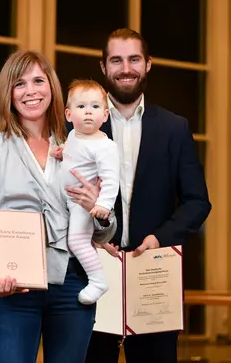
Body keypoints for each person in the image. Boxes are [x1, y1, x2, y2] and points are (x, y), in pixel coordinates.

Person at [0, 49, 117, 363]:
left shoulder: (77, 143)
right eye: (19, 84)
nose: (31, 90)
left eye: (39, 80)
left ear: (52, 87)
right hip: (16, 287)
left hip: (74, 281)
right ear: (7, 92)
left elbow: (104, 232)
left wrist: (98, 210)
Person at [81, 28, 211, 363]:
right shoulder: (77, 128)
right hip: (94, 273)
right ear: (103, 67)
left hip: (154, 275)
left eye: (134, 59)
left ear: (148, 64)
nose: (126, 68)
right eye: (116, 60)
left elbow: (198, 202)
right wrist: (90, 237)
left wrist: (160, 238)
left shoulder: (174, 128)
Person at [61, 79, 119, 305]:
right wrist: (60, 153)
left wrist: (103, 204)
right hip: (64, 200)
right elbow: (72, 155)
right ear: (68, 114)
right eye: (81, 106)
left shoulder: (105, 147)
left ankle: (98, 280)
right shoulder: (73, 136)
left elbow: (111, 178)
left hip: (82, 204)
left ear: (105, 115)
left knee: (77, 241)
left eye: (95, 107)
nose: (88, 112)